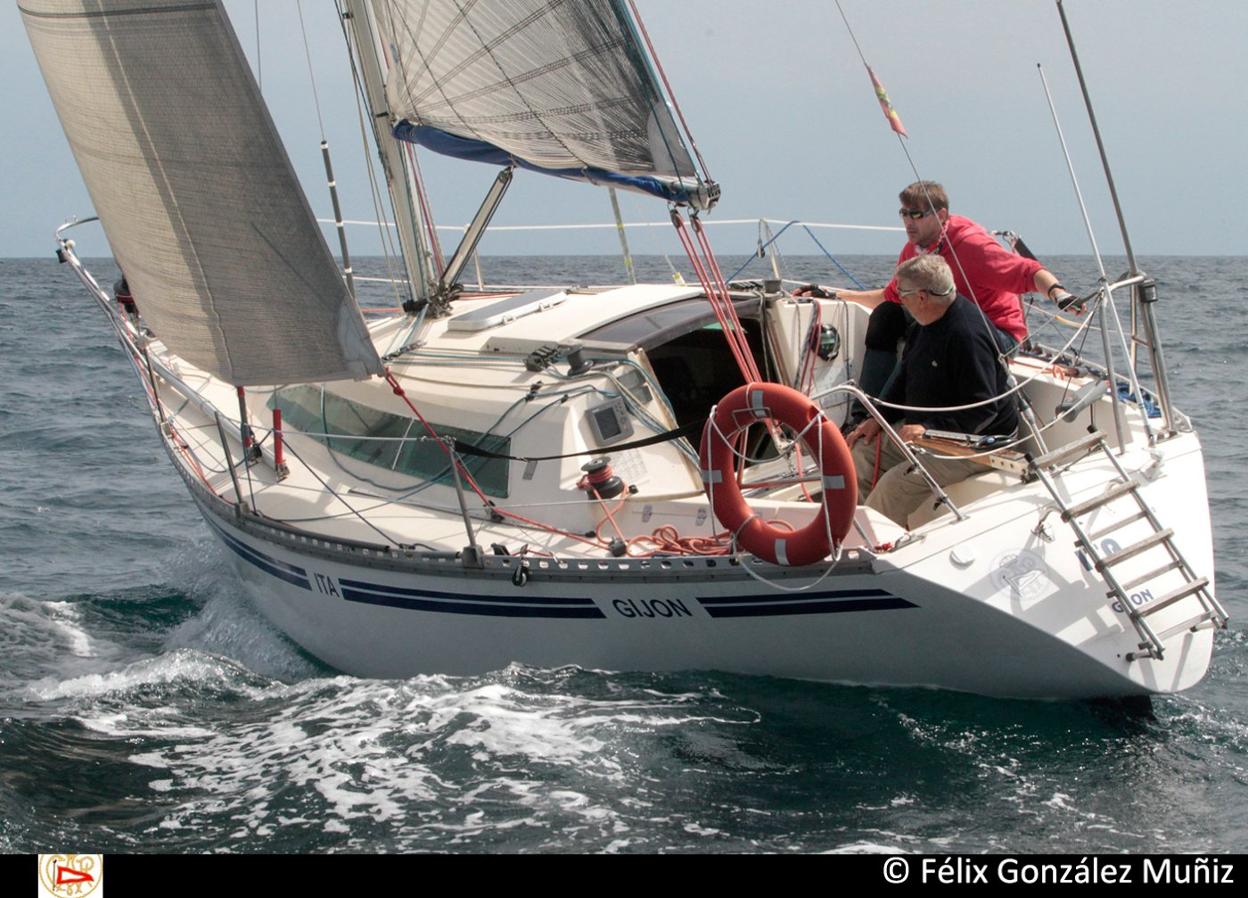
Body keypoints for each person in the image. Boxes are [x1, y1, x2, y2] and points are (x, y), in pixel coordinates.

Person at [802, 181, 1076, 401]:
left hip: (998, 335)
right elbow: (890, 296)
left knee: (928, 330)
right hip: (945, 324)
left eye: (917, 215)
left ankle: (896, 412)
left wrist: (1059, 294)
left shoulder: (972, 246)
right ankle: (869, 408)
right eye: (904, 214)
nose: (909, 222)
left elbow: (1028, 272)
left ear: (941, 215)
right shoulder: (913, 251)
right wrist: (835, 295)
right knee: (887, 316)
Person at [845, 254, 1018, 528]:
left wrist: (930, 429)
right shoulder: (924, 324)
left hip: (976, 442)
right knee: (861, 453)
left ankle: (872, 546)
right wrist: (878, 419)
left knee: (894, 486)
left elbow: (984, 409)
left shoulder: (967, 335)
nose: (898, 298)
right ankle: (865, 528)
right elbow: (904, 378)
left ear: (923, 296)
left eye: (902, 292)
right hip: (931, 430)